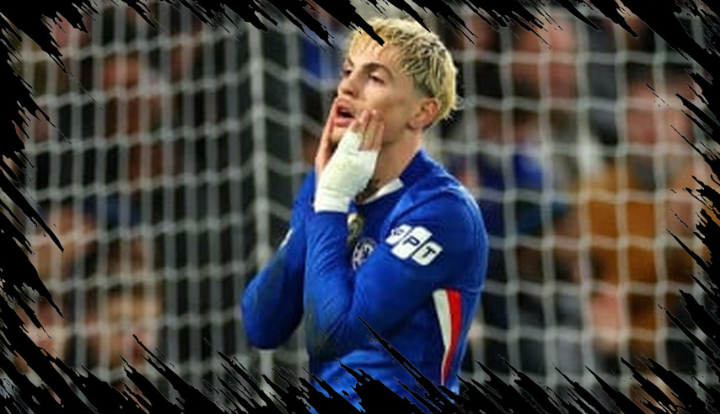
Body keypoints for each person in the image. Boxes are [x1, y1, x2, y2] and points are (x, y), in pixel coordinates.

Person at [241, 17, 488, 408]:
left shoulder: (442, 211)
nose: (346, 88)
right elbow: (262, 324)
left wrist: (331, 199)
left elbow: (332, 333)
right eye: (347, 72)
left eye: (374, 78)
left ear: (422, 113)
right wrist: (325, 192)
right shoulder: (336, 186)